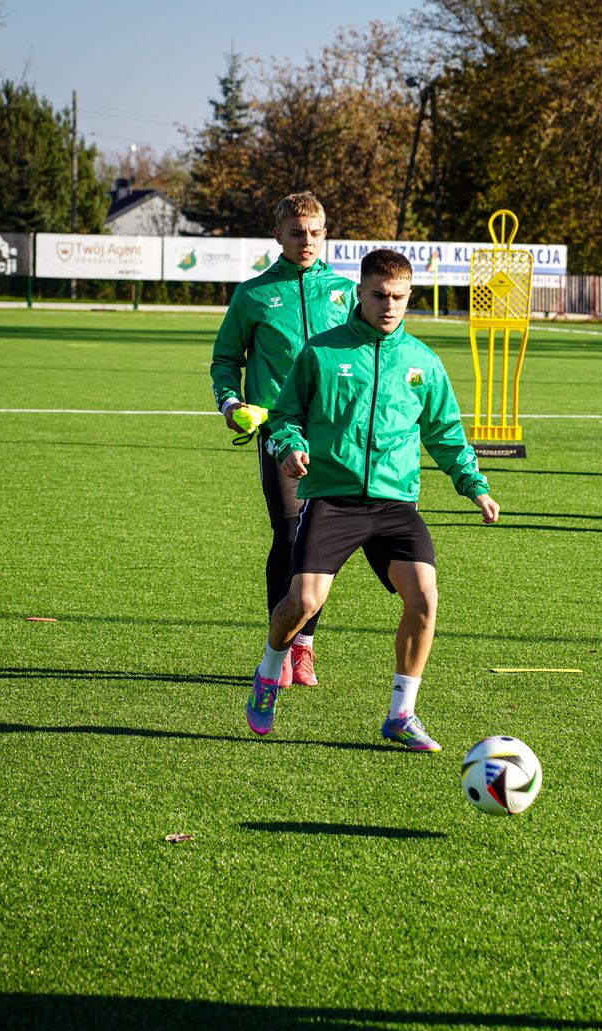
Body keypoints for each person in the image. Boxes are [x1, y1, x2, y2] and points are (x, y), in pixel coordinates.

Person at [245, 248, 499, 749]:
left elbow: (445, 432)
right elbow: (286, 415)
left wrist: (475, 485)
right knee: (303, 603)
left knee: (424, 597)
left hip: (394, 505)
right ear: (359, 293)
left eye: (399, 297)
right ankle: (269, 669)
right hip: (333, 501)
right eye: (379, 295)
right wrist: (294, 447)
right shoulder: (321, 352)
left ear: (410, 298)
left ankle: (401, 714)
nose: (389, 305)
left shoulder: (422, 363)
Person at [210, 192, 357, 688]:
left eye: (316, 232)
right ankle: (283, 644)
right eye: (297, 233)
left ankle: (305, 647)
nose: (308, 241)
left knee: (321, 543)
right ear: (278, 235)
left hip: (336, 435)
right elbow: (225, 361)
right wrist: (231, 404)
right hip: (278, 432)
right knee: (290, 532)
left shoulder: (345, 292)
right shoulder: (251, 295)